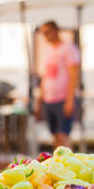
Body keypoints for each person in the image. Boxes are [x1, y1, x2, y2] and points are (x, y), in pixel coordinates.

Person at [36, 21, 81, 149]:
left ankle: (70, 166)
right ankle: (58, 166)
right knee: (55, 136)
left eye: (47, 32)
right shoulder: (48, 50)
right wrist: (40, 100)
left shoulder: (68, 48)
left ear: (55, 31)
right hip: (49, 100)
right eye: (43, 33)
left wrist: (70, 100)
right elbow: (45, 77)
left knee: (63, 136)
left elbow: (74, 75)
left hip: (63, 99)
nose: (45, 36)